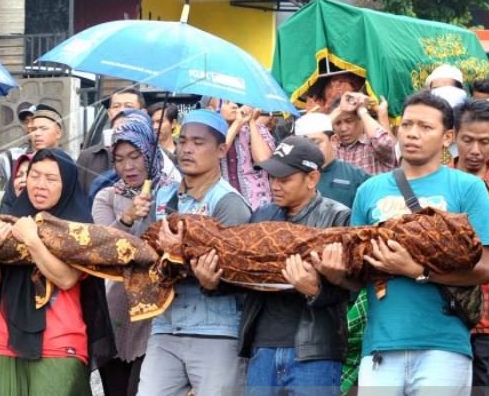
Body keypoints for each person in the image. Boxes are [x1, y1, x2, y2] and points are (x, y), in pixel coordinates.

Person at [341, 91, 489, 393]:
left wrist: (417, 271)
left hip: (444, 344)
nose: (412, 133)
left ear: (447, 136)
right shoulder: (369, 190)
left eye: (425, 127)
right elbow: (355, 274)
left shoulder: (469, 187)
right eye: (407, 124)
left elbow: (485, 267)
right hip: (380, 346)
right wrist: (331, 272)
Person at [0, 148, 114, 396]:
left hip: (60, 344)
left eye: (51, 179)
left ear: (68, 184)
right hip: (5, 340)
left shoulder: (78, 228)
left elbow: (65, 279)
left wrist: (32, 239)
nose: (40, 185)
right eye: (34, 175)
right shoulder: (11, 219)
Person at [137, 109, 252, 396]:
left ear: (222, 149)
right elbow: (143, 254)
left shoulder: (229, 203)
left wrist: (179, 256)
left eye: (199, 143)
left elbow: (236, 272)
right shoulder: (162, 197)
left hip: (217, 331)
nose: (187, 149)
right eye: (182, 141)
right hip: (166, 327)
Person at [240, 136, 351, 395]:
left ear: (312, 179)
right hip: (262, 346)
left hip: (315, 351)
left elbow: (353, 285)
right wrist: (213, 283)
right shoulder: (261, 217)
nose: (274, 186)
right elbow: (242, 270)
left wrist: (316, 290)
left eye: (284, 179)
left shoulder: (338, 217)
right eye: (272, 178)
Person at [92, 116, 172, 396]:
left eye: (135, 156)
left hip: (155, 316)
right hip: (116, 309)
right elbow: (103, 250)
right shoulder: (107, 197)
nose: (128, 166)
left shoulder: (171, 193)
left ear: (150, 152)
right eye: (120, 159)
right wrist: (126, 218)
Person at [452, 99, 489, 389]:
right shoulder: (433, 183)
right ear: (453, 135)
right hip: (442, 315)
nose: (474, 150)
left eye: (484, 142)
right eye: (467, 140)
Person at [204, 97, 275, 209]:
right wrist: (238, 123)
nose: (234, 106)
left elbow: (263, 160)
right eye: (227, 102)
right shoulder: (206, 135)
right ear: (210, 109)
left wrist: (251, 121)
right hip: (225, 209)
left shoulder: (257, 129)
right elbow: (213, 156)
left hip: (259, 209)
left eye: (235, 102)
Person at [294, 112, 370, 208]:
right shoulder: (291, 176)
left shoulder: (356, 176)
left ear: (333, 141)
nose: (309, 149)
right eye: (303, 145)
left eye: (315, 142)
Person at [77, 88, 146, 193]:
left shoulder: (156, 155)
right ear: (109, 113)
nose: (122, 111)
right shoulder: (88, 157)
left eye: (128, 106)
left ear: (143, 113)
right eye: (116, 106)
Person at [330, 91, 398, 175]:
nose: (343, 129)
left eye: (349, 121)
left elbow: (384, 143)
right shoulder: (332, 148)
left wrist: (361, 110)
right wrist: (339, 110)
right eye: (338, 123)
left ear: (361, 120)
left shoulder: (372, 146)